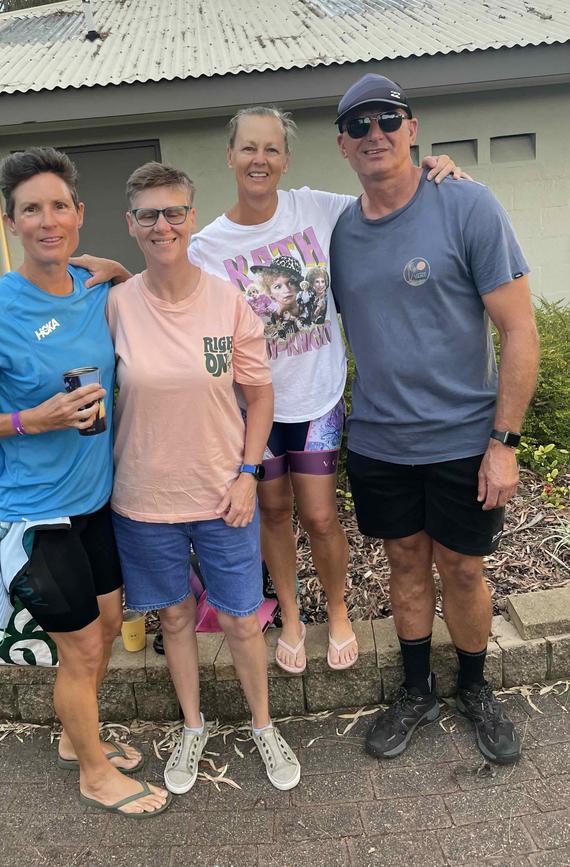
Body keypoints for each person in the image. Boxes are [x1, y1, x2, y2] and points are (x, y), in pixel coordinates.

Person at [73, 112, 462, 677]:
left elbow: (387, 194)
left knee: (323, 517)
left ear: (286, 159)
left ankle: (338, 610)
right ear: (230, 156)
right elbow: (166, 283)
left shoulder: (317, 209)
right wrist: (116, 273)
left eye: (272, 149)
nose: (260, 159)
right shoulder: (207, 244)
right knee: (273, 514)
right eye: (249, 148)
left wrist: (437, 171)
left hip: (315, 398)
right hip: (249, 405)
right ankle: (295, 617)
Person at [0, 147, 170, 817]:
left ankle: (77, 733)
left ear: (78, 213)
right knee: (83, 644)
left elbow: (143, 294)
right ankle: (93, 770)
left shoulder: (95, 288)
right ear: (11, 222)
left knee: (111, 623)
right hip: (37, 515)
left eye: (58, 206)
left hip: (95, 503)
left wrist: (123, 270)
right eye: (30, 209)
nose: (47, 220)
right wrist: (28, 419)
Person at [329, 73, 540, 763]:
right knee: (405, 563)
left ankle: (475, 686)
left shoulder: (467, 205)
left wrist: (503, 443)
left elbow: (519, 331)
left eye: (387, 119)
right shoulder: (339, 232)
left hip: (463, 439)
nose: (374, 134)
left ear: (413, 129)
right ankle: (417, 688)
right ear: (342, 144)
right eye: (358, 125)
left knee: (464, 569)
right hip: (381, 441)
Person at [107, 161, 301, 794]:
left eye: (175, 212)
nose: (163, 225)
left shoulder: (228, 302)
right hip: (142, 499)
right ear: (131, 225)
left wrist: (249, 473)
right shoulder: (114, 306)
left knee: (244, 619)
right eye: (148, 215)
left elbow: (260, 396)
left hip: (223, 495)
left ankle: (262, 724)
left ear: (192, 217)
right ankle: (193, 727)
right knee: (175, 621)